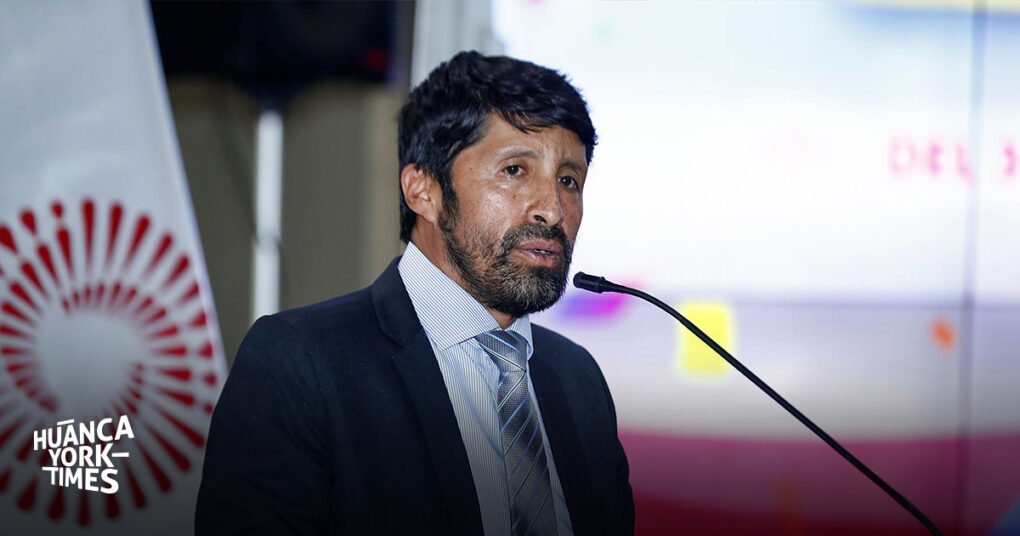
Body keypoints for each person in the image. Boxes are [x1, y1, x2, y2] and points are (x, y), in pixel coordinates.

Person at [195, 51, 634, 536]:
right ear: (423, 190)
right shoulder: (299, 364)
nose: (552, 209)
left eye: (569, 180)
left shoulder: (577, 381)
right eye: (514, 170)